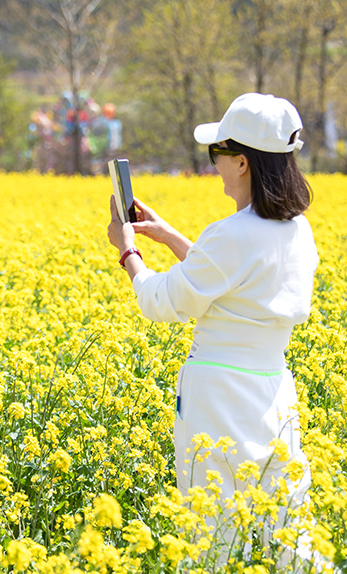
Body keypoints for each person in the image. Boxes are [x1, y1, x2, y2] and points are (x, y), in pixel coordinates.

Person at [106, 93, 318, 545]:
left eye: (217, 153)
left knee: (216, 529)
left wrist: (129, 251)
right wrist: (168, 237)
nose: (213, 164)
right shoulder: (296, 229)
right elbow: (231, 281)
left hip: (221, 396)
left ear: (242, 163)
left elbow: (161, 300)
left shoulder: (232, 235)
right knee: (283, 523)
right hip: (272, 390)